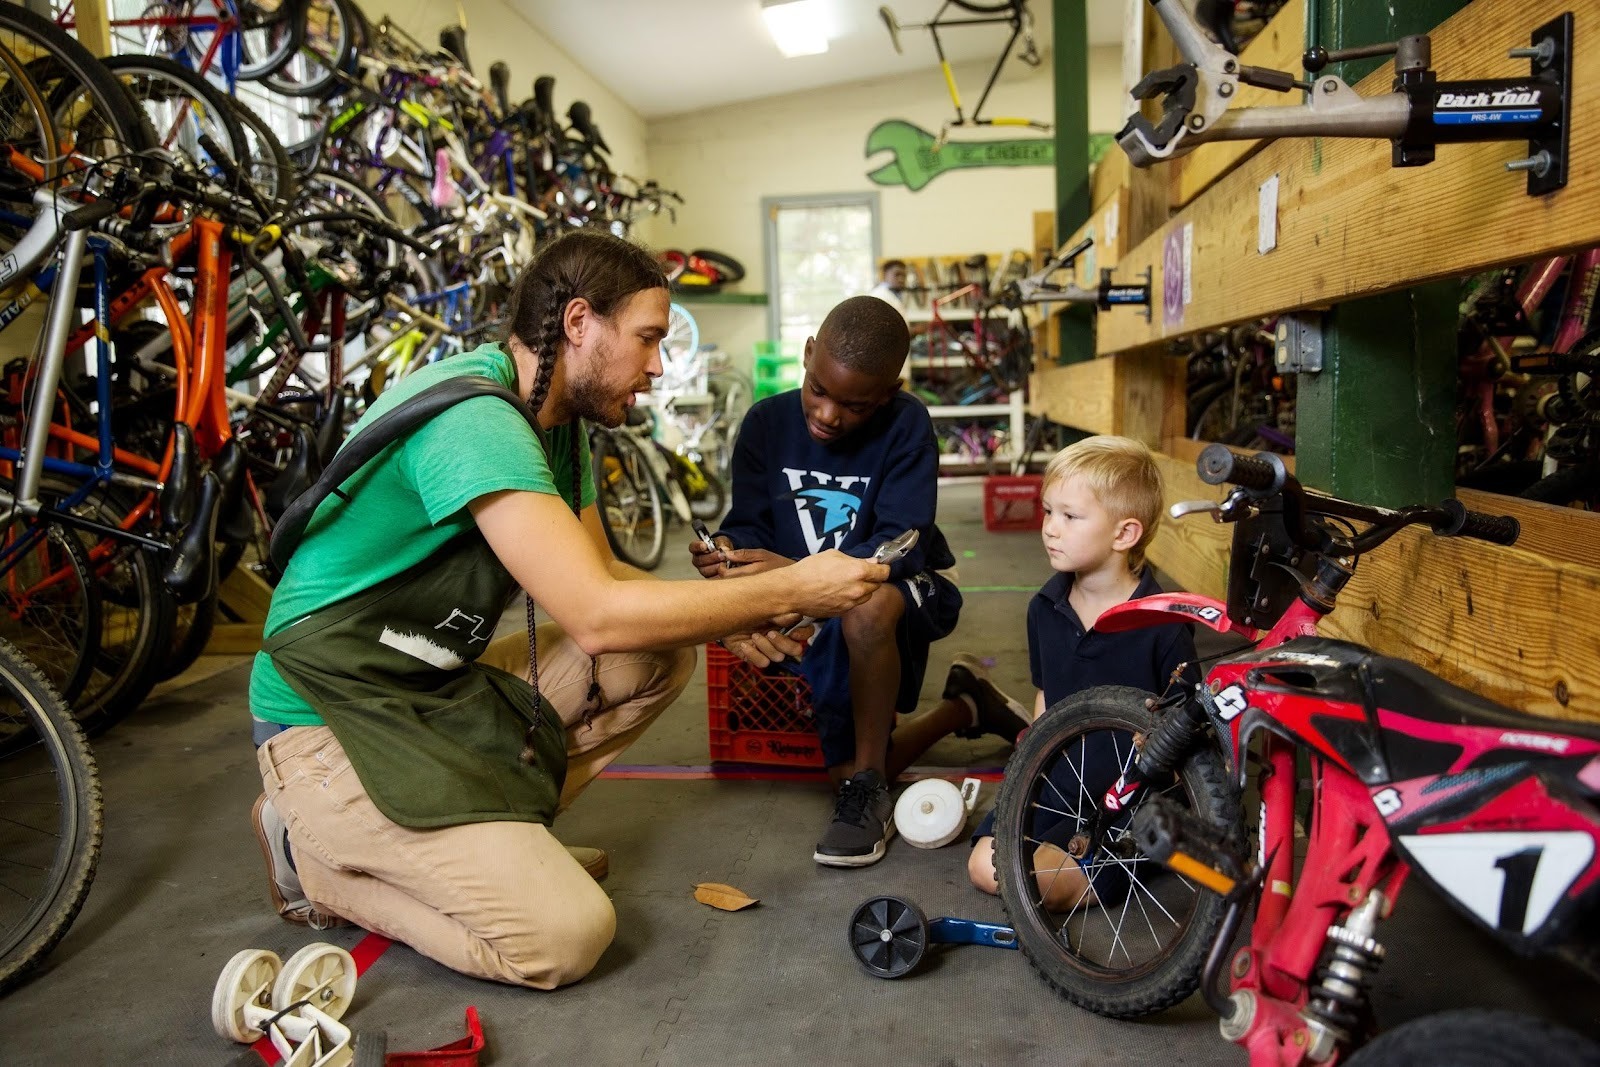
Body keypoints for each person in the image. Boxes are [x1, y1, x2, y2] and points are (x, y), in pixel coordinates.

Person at [249, 231, 888, 991]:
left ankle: (493, 843)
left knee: (651, 658)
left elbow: (607, 575)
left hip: (424, 685)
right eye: (649, 338)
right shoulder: (477, 421)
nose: (659, 365)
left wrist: (727, 615)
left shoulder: (555, 425)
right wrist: (793, 588)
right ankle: (317, 862)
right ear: (579, 322)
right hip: (329, 715)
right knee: (566, 936)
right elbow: (595, 613)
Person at [690, 295, 970, 868]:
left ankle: (868, 785)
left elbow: (903, 541)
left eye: (854, 406)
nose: (827, 415)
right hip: (805, 599)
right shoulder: (766, 424)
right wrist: (727, 554)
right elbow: (747, 523)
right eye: (817, 390)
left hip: (901, 588)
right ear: (807, 354)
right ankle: (965, 709)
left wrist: (795, 579)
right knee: (831, 762)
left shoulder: (907, 423)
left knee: (865, 608)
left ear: (888, 394)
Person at [964, 435, 1200, 908]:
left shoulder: (1163, 624)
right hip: (1059, 779)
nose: (1050, 528)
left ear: (1124, 534)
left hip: (1130, 796)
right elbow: (1047, 696)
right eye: (1048, 511)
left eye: (1070, 517)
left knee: (1040, 882)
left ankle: (1126, 863)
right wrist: (1031, 766)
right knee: (985, 865)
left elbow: (1189, 726)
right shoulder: (1044, 608)